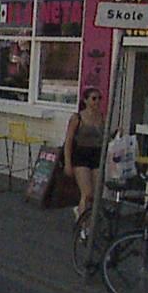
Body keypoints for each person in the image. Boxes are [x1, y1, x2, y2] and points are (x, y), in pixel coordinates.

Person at [62, 89, 106, 221]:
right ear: (85, 100)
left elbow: (104, 138)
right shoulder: (77, 118)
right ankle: (83, 223)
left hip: (96, 154)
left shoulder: (102, 117)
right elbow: (69, 141)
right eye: (93, 98)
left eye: (99, 98)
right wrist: (67, 163)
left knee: (96, 194)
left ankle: (89, 217)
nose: (97, 102)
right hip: (81, 155)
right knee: (87, 193)